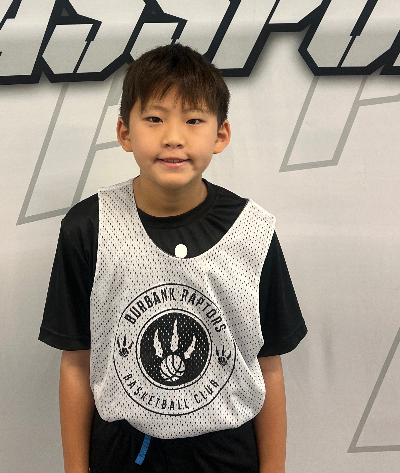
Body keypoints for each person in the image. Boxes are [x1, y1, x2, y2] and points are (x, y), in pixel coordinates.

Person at [39, 43, 307, 473]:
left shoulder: (253, 231)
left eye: (194, 119)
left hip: (226, 455)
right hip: (124, 453)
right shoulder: (88, 227)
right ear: (125, 132)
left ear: (220, 134)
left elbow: (268, 366)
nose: (173, 137)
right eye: (154, 118)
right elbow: (75, 362)